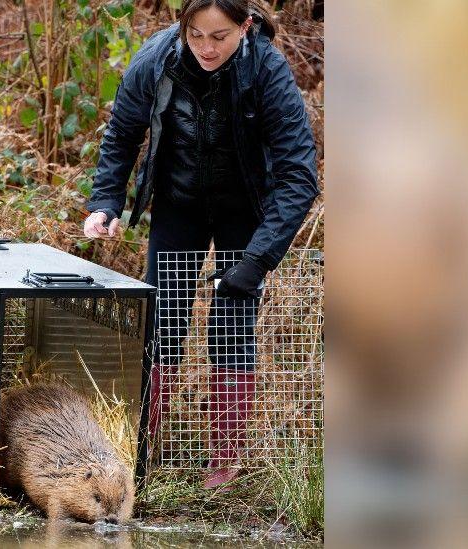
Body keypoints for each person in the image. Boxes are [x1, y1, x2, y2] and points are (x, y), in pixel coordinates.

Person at [82, 0, 319, 488]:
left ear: (245, 28)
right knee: (161, 320)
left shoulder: (268, 71)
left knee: (231, 326)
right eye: (196, 36)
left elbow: (298, 175)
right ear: (183, 28)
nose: (206, 48)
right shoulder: (155, 60)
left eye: (220, 37)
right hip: (178, 201)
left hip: (245, 209)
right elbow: (122, 136)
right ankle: (140, 452)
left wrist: (259, 258)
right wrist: (105, 203)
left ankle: (223, 464)